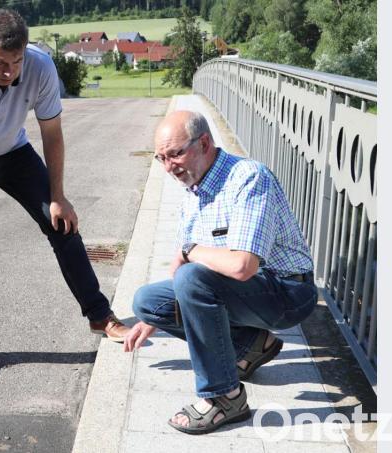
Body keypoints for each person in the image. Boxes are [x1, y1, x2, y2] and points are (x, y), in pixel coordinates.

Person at [0, 9, 130, 376]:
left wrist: (58, 196)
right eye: (1, 63)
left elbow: (52, 134)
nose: (10, 72)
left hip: (15, 154)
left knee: (62, 226)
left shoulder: (40, 67)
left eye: (17, 62)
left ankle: (100, 316)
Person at [123, 110, 318, 434]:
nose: (169, 167)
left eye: (175, 154)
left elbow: (242, 266)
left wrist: (189, 250)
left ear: (203, 143)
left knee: (191, 279)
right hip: (245, 290)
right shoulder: (193, 190)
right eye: (161, 158)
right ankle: (251, 345)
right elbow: (187, 266)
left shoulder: (248, 178)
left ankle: (224, 397)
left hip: (287, 292)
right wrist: (154, 318)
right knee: (148, 301)